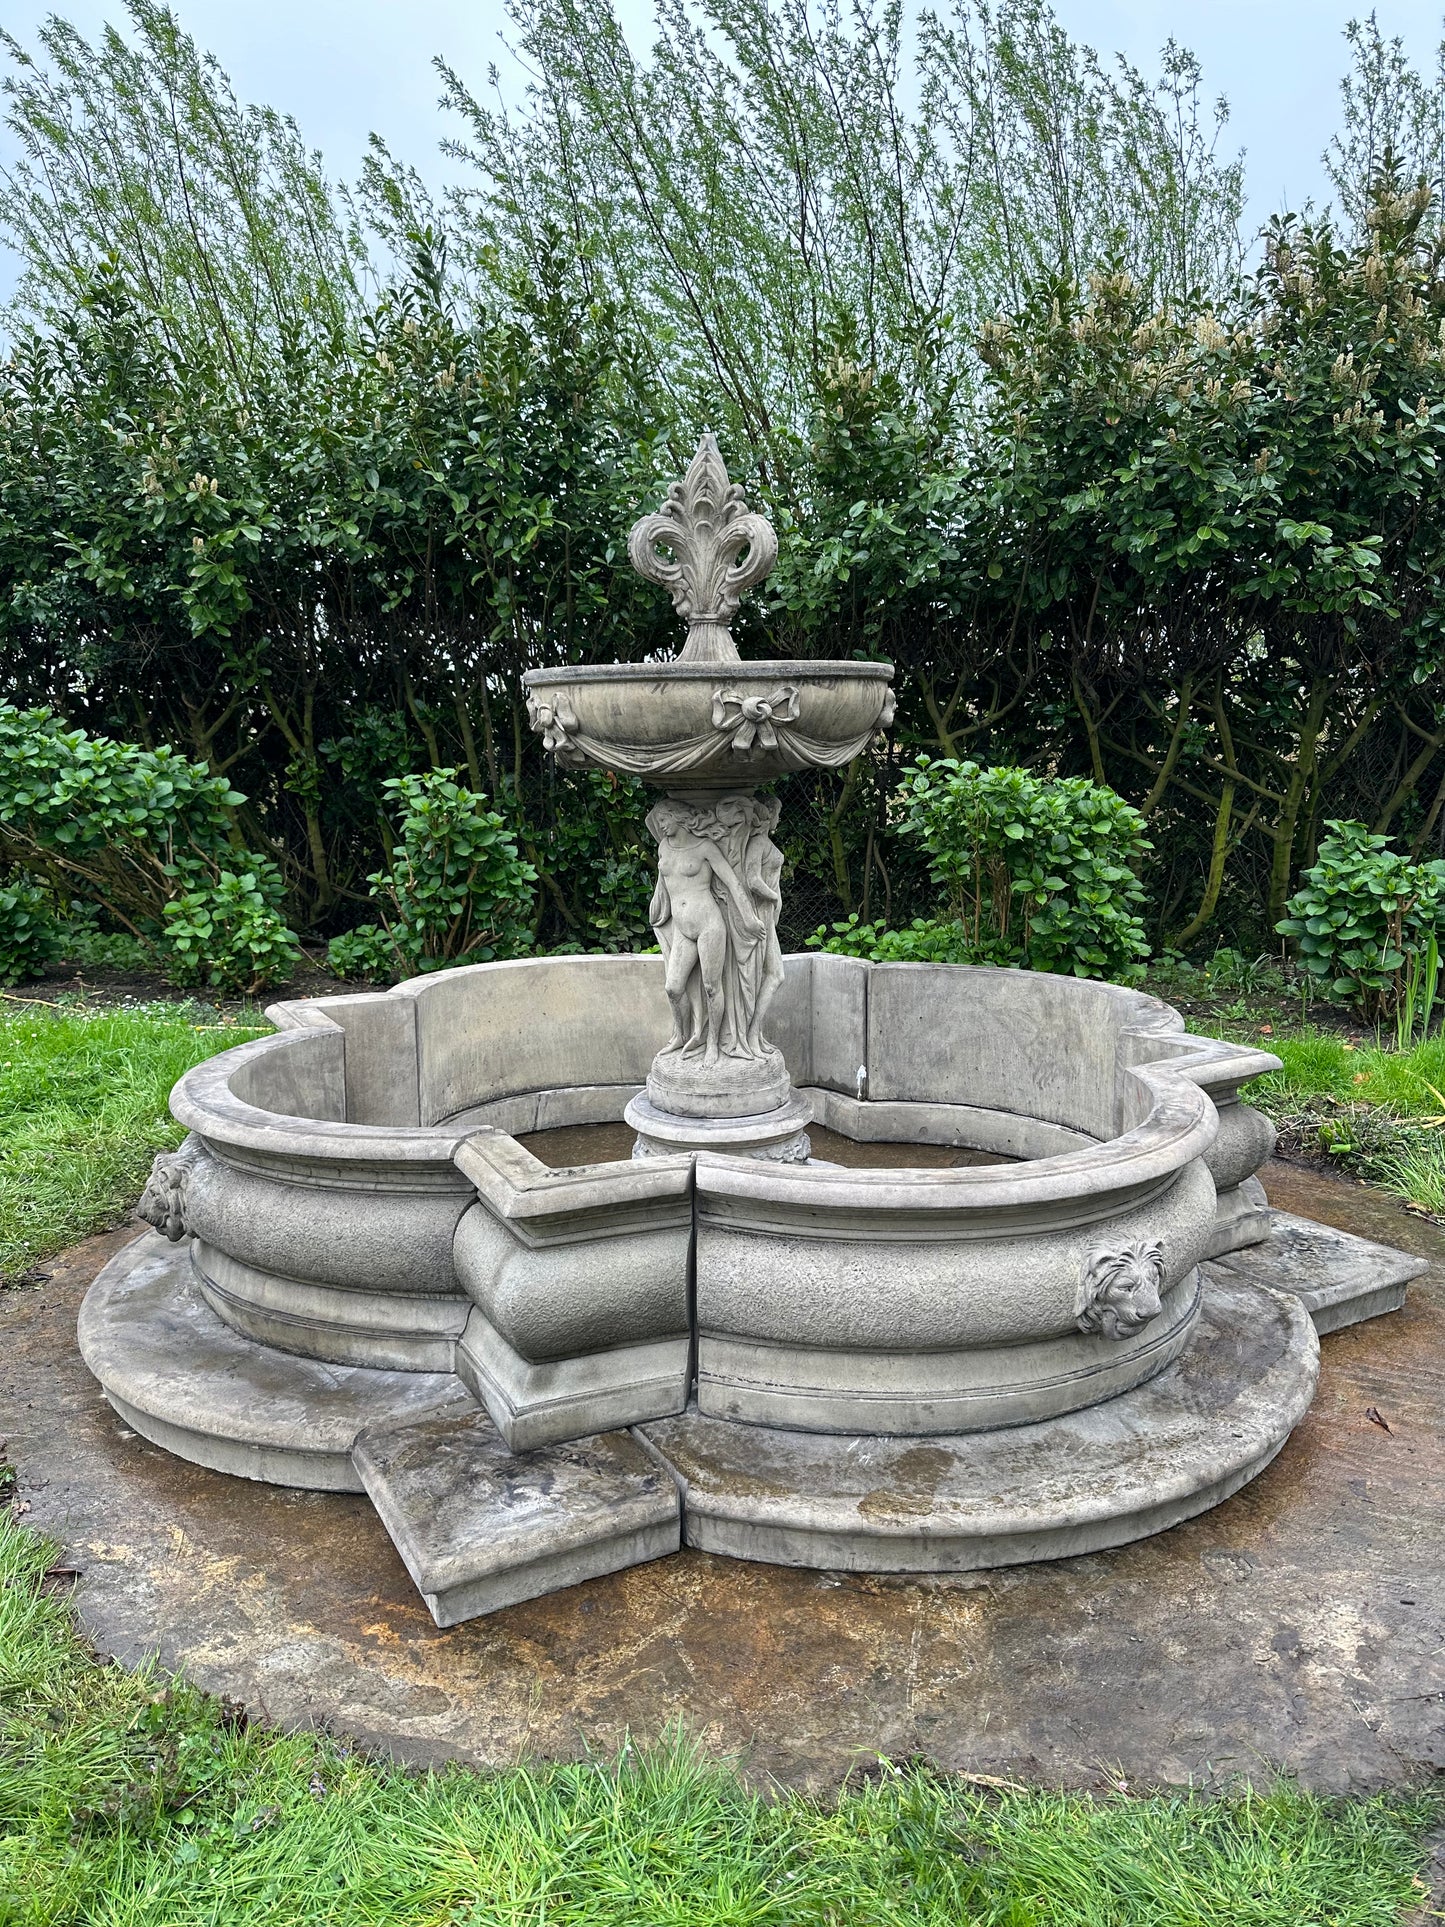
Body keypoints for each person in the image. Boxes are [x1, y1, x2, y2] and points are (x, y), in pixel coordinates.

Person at [648, 799, 765, 1066]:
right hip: (682, 929)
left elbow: (733, 883)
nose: (661, 825)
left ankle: (713, 1043)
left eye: (664, 819)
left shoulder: (705, 847)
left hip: (709, 925)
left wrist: (748, 918)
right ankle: (681, 1035)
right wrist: (657, 905)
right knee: (673, 988)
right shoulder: (664, 847)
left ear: (678, 818)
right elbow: (663, 882)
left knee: (712, 987)